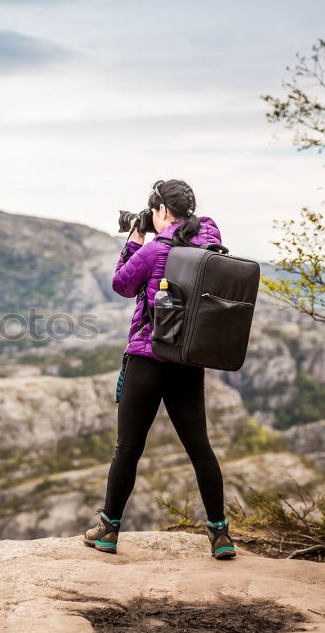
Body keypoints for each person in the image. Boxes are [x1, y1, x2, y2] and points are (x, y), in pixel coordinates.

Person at [82, 179, 235, 559]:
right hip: (187, 361)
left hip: (148, 359)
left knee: (129, 448)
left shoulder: (154, 251)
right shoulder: (210, 243)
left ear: (162, 211)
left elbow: (121, 284)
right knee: (200, 448)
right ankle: (220, 535)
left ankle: (108, 530)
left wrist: (134, 239)